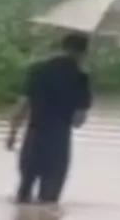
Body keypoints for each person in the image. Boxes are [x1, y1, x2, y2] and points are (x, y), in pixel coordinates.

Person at [7, 32, 92, 204]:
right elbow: (78, 122)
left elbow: (22, 106)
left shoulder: (38, 70)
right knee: (49, 200)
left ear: (62, 47)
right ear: (83, 53)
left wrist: (12, 134)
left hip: (34, 137)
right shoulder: (81, 78)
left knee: (23, 194)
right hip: (59, 142)